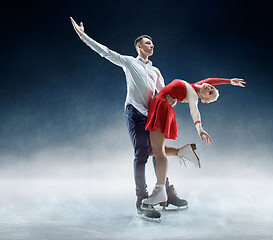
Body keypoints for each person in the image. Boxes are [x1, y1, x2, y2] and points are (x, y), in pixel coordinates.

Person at [69, 17, 199, 215]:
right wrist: (83, 35)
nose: (152, 45)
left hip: (152, 115)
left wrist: (177, 98)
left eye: (153, 43)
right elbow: (105, 52)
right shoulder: (129, 62)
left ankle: (166, 193)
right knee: (141, 154)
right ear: (139, 46)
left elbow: (164, 92)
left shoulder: (155, 70)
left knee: (157, 152)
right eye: (148, 42)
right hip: (134, 112)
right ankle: (142, 199)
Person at [142, 77, 246, 206]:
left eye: (210, 93)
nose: (210, 88)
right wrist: (229, 81)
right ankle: (182, 152)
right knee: (148, 151)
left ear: (202, 98)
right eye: (211, 88)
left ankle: (160, 191)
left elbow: (194, 111)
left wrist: (200, 128)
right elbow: (210, 80)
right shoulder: (194, 86)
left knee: (158, 152)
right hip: (158, 106)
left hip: (161, 109)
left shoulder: (192, 94)